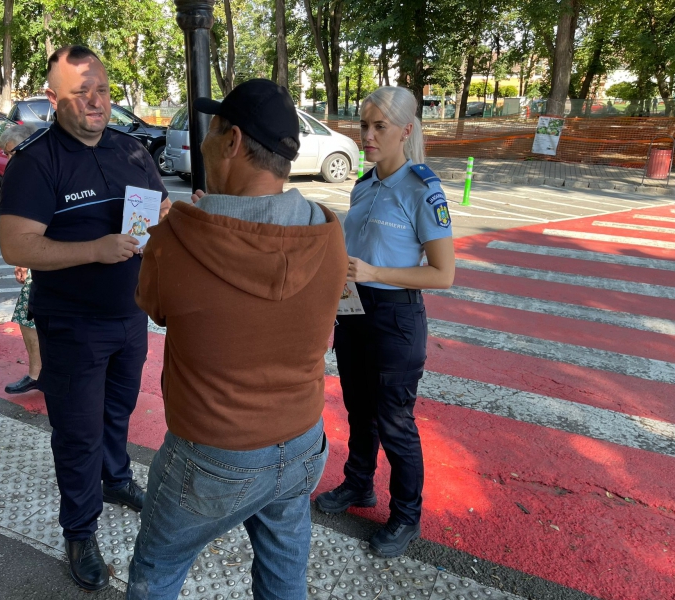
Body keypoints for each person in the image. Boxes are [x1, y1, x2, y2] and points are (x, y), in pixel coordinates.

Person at [126, 79, 348, 600]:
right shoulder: (329, 232)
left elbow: (155, 306)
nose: (202, 141)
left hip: (213, 454)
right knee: (284, 574)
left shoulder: (177, 238)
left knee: (157, 569)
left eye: (211, 130)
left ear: (232, 141)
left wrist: (198, 221)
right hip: (301, 442)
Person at [0, 45, 171, 592]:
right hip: (72, 325)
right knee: (77, 435)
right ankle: (79, 531)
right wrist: (95, 249)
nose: (96, 101)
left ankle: (115, 479)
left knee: (118, 411)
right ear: (53, 100)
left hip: (131, 315)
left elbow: (156, 213)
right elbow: (16, 245)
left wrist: (166, 217)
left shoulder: (131, 149)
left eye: (102, 90)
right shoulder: (36, 161)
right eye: (81, 92)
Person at [314, 86, 456, 558]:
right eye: (364, 125)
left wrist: (376, 273)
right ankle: (359, 483)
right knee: (358, 410)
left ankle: (406, 516)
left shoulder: (422, 189)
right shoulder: (365, 183)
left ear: (406, 131)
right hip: (354, 311)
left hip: (396, 318)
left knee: (395, 422)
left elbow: (443, 273)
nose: (368, 136)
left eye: (380, 127)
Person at [0, 123, 42, 394]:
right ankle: (39, 372)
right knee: (29, 316)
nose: (9, 159)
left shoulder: (34, 175)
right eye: (6, 154)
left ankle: (38, 373)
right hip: (42, 258)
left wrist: (26, 257)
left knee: (28, 316)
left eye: (11, 153)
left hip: (49, 261)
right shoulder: (35, 172)